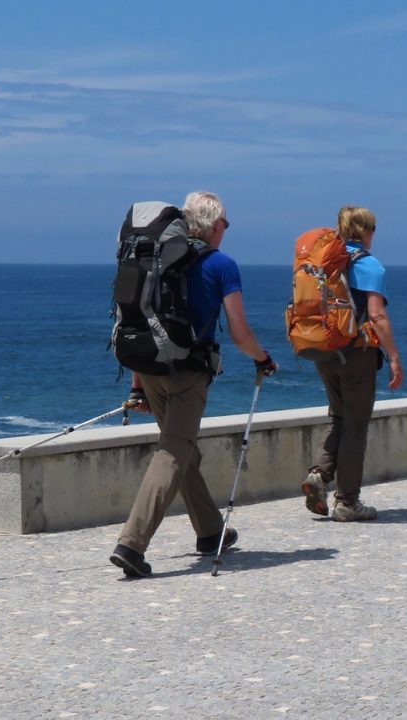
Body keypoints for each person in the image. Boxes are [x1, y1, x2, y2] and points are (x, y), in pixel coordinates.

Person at [110, 191, 277, 578]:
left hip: (148, 368)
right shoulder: (221, 264)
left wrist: (137, 386)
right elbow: (239, 332)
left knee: (184, 451)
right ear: (215, 225)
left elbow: (140, 316)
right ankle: (131, 545)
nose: (227, 231)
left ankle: (209, 531)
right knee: (173, 451)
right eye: (226, 224)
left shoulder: (155, 259)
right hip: (188, 372)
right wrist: (263, 359)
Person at [301, 206, 403, 522]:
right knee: (356, 426)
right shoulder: (370, 266)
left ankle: (320, 473)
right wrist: (394, 357)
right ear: (365, 231)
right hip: (356, 354)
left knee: (339, 416)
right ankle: (347, 502)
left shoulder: (324, 261)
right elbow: (376, 315)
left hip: (324, 351)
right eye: (373, 229)